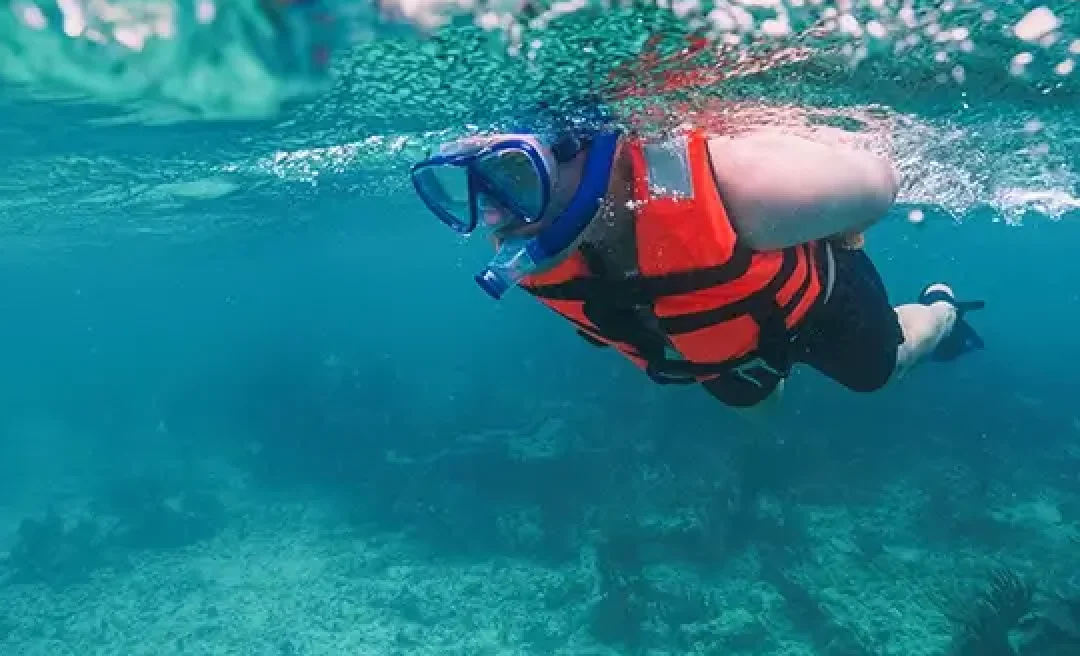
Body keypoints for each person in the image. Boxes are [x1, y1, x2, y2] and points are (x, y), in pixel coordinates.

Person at [408, 112, 985, 409]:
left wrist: (831, 220)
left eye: (514, 175)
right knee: (753, 405)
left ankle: (943, 309)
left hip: (820, 302)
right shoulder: (535, 243)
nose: (497, 217)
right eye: (462, 193)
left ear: (586, 151)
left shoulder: (749, 191)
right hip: (714, 335)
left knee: (880, 372)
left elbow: (880, 187)